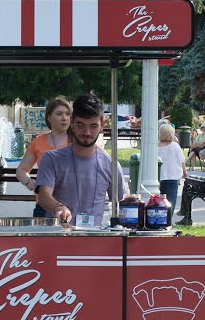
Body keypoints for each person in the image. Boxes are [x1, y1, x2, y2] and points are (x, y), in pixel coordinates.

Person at [35, 92, 126, 226]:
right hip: (59, 237)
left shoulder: (111, 165)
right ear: (72, 123)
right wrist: (58, 207)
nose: (87, 132)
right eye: (81, 125)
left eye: (93, 126)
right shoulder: (51, 159)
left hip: (94, 241)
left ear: (102, 125)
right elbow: (43, 196)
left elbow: (121, 204)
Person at [17, 96, 72, 217]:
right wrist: (28, 181)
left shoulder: (77, 141)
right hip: (44, 205)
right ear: (49, 117)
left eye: (68, 114)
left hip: (71, 206)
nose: (64, 118)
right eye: (59, 114)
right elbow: (21, 170)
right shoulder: (38, 142)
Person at [156, 122, 186, 213]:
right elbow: (182, 161)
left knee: (158, 200)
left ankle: (159, 217)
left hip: (159, 177)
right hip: (173, 177)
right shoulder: (175, 146)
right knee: (170, 201)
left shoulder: (155, 147)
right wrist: (184, 172)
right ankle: (168, 219)